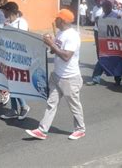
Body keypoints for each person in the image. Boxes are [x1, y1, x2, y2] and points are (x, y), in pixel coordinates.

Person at [26, 9, 86, 140]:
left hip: (69, 78)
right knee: (51, 103)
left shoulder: (72, 36)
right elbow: (55, 52)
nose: (55, 21)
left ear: (63, 21)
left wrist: (52, 44)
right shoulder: (60, 33)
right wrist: (50, 42)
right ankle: (42, 130)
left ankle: (80, 129)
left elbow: (66, 56)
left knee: (74, 106)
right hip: (57, 75)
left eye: (57, 19)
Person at [0, 2, 31, 120]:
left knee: (15, 83)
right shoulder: (8, 22)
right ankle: (13, 109)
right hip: (8, 56)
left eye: (4, 11)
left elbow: (20, 39)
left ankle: (24, 106)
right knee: (9, 83)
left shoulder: (21, 23)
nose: (3, 13)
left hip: (19, 58)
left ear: (10, 11)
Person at [87, 0, 121, 86]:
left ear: (109, 7)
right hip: (104, 41)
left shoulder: (116, 15)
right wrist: (98, 21)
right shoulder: (102, 16)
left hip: (113, 42)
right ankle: (95, 78)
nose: (104, 9)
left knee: (115, 60)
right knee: (101, 59)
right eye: (103, 8)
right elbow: (99, 28)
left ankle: (117, 79)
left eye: (105, 7)